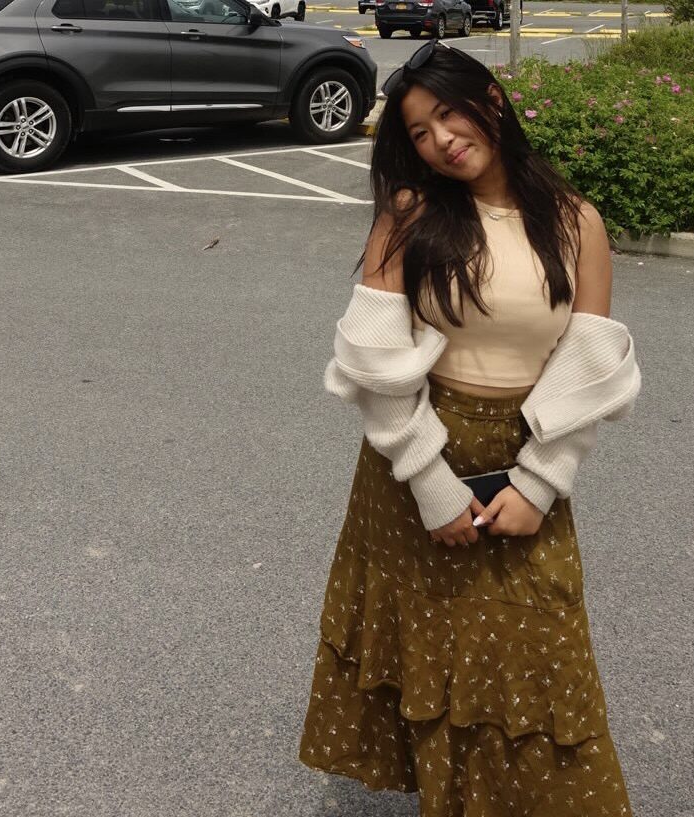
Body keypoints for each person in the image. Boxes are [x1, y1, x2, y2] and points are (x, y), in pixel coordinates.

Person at [298, 40, 640, 816]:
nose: (438, 140)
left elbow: (587, 360)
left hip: (524, 452)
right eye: (417, 132)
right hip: (416, 451)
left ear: (489, 102)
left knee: (534, 655)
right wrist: (427, 481)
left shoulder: (574, 220)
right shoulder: (411, 216)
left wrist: (541, 478)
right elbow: (374, 358)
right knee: (431, 643)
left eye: (447, 114)